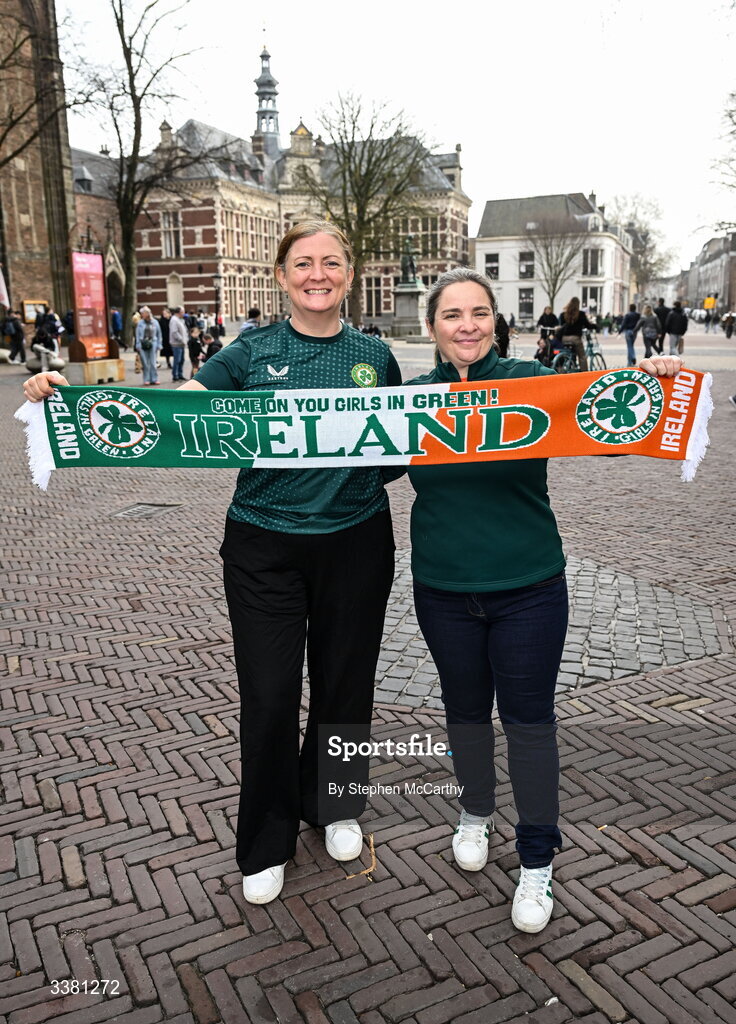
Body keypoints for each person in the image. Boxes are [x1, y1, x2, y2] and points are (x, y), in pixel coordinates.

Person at [22, 221, 401, 907]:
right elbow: (176, 411)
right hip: (264, 548)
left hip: (357, 543)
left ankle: (335, 804)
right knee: (270, 694)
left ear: (349, 273)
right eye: (303, 264)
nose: (318, 274)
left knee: (346, 684)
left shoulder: (375, 355)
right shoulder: (250, 352)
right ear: (282, 277)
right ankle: (265, 840)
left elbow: (399, 450)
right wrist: (69, 402)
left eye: (332, 263)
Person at [404, 267, 682, 934]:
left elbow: (611, 434)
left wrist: (655, 385)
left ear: (495, 321)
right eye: (451, 314)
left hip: (528, 587)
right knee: (464, 713)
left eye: (478, 312)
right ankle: (475, 813)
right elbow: (350, 454)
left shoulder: (533, 382)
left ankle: (536, 859)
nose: (466, 325)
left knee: (528, 721)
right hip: (442, 588)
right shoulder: (408, 401)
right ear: (433, 327)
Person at [557, 296, 592, 371]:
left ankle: (571, 364)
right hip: (575, 339)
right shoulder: (581, 314)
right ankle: (584, 373)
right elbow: (587, 325)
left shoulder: (563, 314)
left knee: (572, 352)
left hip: (564, 338)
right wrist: (595, 326)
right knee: (582, 356)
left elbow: (560, 325)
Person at [134, 306, 162, 385]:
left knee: (153, 362)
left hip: (153, 343)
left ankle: (154, 378)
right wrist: (138, 344)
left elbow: (159, 333)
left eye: (143, 313)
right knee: (145, 363)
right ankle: (146, 379)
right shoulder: (140, 323)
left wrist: (159, 344)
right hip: (143, 343)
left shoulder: (155, 322)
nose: (142, 314)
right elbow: (137, 334)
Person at [169, 307, 188, 381]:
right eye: (182, 312)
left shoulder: (180, 320)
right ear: (178, 312)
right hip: (177, 344)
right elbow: (174, 332)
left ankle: (180, 374)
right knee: (177, 360)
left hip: (181, 344)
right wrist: (181, 339)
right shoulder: (174, 320)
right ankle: (175, 375)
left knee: (181, 360)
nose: (184, 313)